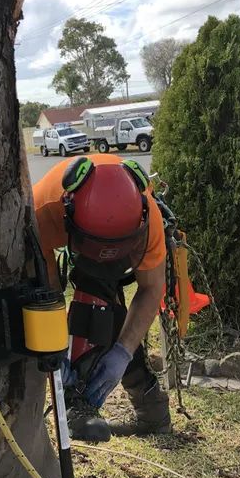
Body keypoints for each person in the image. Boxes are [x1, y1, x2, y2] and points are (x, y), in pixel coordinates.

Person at [33, 153, 171, 442]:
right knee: (96, 301)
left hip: (125, 243)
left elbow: (151, 288)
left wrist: (122, 353)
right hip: (80, 242)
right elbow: (48, 291)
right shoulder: (44, 210)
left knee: (110, 314)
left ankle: (142, 409)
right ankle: (84, 399)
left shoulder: (149, 219)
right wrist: (56, 347)